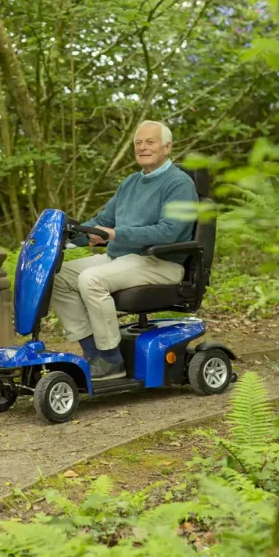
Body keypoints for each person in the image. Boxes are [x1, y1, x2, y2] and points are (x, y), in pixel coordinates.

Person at [51, 120, 198, 380]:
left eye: (149, 142)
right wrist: (67, 238)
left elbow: (169, 232)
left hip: (159, 262)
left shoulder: (179, 183)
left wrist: (117, 234)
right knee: (58, 276)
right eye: (138, 143)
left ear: (167, 147)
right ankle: (94, 353)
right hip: (122, 258)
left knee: (91, 279)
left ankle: (111, 360)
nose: (142, 147)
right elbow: (103, 221)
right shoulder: (130, 182)